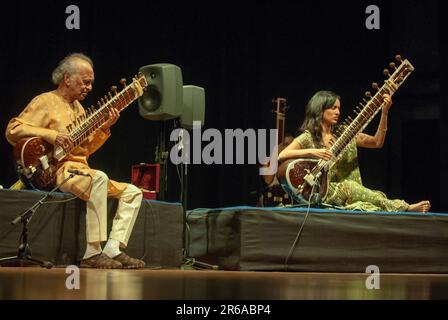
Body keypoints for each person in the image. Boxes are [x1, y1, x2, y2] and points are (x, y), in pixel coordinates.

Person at [5, 53, 146, 268]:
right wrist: (51, 135)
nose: (89, 87)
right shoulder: (45, 101)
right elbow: (13, 130)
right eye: (85, 81)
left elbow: (86, 149)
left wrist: (105, 127)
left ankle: (113, 248)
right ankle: (92, 253)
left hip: (80, 170)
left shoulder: (80, 110)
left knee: (133, 192)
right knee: (98, 178)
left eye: (91, 83)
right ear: (67, 78)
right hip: (58, 170)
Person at [278, 90, 431, 213]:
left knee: (370, 198)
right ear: (320, 110)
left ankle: (398, 207)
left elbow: (377, 142)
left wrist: (384, 113)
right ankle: (404, 207)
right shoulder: (308, 137)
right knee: (350, 187)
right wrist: (313, 152)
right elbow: (282, 155)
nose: (338, 112)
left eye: (338, 108)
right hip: (321, 191)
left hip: (342, 190)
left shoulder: (345, 134)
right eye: (333, 108)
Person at [258, 134, 294, 207]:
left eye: (290, 145)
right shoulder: (267, 161)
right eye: (285, 144)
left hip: (287, 205)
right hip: (268, 203)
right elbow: (268, 180)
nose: (287, 148)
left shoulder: (296, 164)